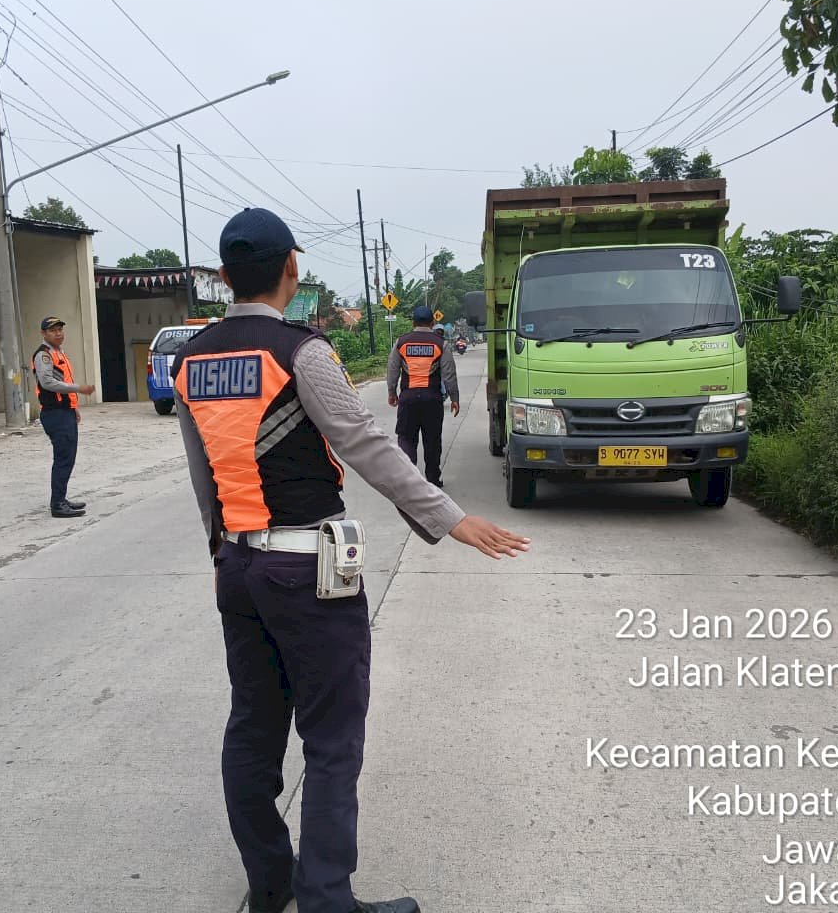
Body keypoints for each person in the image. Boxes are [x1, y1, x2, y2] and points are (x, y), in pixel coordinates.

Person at [173, 207, 529, 913]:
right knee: (332, 740)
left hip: (238, 568)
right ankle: (327, 899)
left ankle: (271, 885)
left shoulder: (193, 358)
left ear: (221, 278)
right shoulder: (301, 353)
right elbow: (366, 443)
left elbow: (202, 471)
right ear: (292, 269)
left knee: (253, 726)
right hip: (309, 573)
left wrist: (225, 549)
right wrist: (449, 519)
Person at [387, 307, 458, 488]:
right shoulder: (440, 343)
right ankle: (433, 479)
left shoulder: (401, 342)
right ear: (432, 323)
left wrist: (391, 392)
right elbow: (449, 374)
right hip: (432, 398)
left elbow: (393, 369)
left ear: (413, 323)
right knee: (432, 439)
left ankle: (409, 480)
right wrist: (455, 398)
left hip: (408, 397)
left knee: (406, 438)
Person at [32, 315, 95, 518]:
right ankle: (57, 504)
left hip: (64, 411)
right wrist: (79, 389)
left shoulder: (59, 353)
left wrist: (74, 406)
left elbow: (63, 380)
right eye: (53, 330)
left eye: (60, 329)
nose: (58, 333)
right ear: (44, 334)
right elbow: (48, 383)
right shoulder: (44, 356)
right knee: (63, 458)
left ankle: (61, 498)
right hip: (54, 413)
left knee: (68, 457)